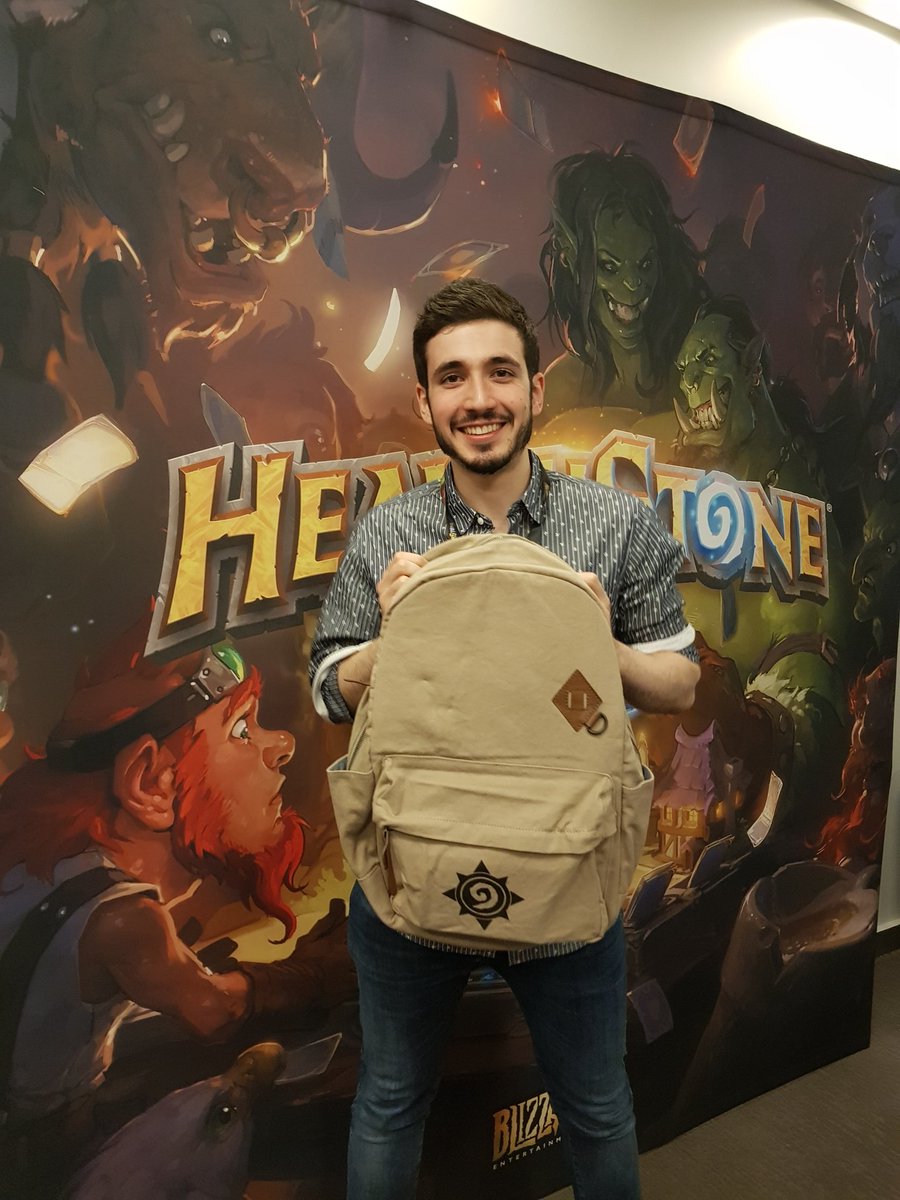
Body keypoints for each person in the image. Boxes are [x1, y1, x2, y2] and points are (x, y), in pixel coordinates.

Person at [309, 278, 699, 1200]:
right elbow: (329, 690)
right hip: (410, 870)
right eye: (452, 377)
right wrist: (395, 638)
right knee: (389, 1104)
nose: (477, 397)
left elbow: (680, 680)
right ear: (424, 401)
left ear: (534, 388)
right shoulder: (388, 532)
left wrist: (593, 644)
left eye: (499, 372)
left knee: (596, 1107)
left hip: (568, 870)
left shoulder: (614, 523)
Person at [0, 619, 351, 1197]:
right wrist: (314, 973)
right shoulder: (121, 918)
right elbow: (212, 1010)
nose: (282, 744)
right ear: (149, 782)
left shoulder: (37, 869)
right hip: (42, 1165)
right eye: (241, 729)